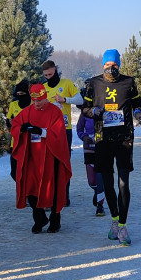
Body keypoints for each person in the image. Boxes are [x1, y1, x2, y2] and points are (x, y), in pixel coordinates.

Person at [82, 49, 141, 246]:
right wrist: (93, 111)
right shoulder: (93, 83)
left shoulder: (129, 82)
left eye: (114, 64)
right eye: (107, 64)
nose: (111, 68)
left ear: (119, 65)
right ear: (102, 65)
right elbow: (84, 108)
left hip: (124, 138)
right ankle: (115, 221)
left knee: (123, 183)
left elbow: (137, 104)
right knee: (107, 183)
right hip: (102, 139)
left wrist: (137, 114)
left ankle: (124, 226)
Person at [11, 83, 71, 234]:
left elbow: (59, 134)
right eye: (34, 100)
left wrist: (42, 132)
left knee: (53, 187)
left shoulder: (54, 111)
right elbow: (15, 126)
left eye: (39, 100)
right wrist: (21, 129)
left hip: (50, 157)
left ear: (45, 98)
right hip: (32, 157)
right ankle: (39, 217)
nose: (36, 104)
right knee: (30, 187)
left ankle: (55, 219)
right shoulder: (27, 112)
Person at [41, 60, 83, 207]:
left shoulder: (66, 84)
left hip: (65, 130)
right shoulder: (44, 88)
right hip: (48, 131)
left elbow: (80, 100)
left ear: (55, 71)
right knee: (50, 164)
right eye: (46, 75)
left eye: (51, 74)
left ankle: (64, 195)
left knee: (64, 163)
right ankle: (52, 195)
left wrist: (65, 100)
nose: (48, 77)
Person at [76, 102, 105, 216]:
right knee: (92, 180)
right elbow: (79, 129)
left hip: (102, 147)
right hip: (88, 148)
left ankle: (100, 206)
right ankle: (96, 190)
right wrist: (84, 137)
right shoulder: (84, 113)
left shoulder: (103, 110)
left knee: (100, 176)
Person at [6, 80, 31, 180]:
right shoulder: (13, 104)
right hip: (15, 142)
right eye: (18, 94)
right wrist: (10, 124)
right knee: (14, 172)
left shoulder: (33, 104)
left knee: (28, 170)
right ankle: (22, 189)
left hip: (30, 141)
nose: (20, 95)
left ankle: (28, 192)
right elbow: (8, 120)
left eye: (23, 93)